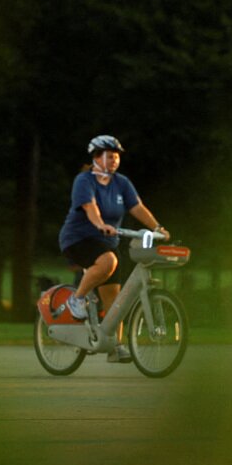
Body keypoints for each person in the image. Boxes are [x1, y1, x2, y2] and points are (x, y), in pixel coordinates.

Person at [57, 135, 169, 363]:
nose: (114, 161)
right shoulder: (84, 181)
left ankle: (115, 347)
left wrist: (158, 227)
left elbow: (137, 208)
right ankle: (76, 300)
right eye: (110, 156)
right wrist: (99, 225)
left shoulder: (122, 183)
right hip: (78, 239)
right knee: (109, 261)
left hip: (107, 242)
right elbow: (90, 207)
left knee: (114, 299)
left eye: (116, 157)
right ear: (97, 158)